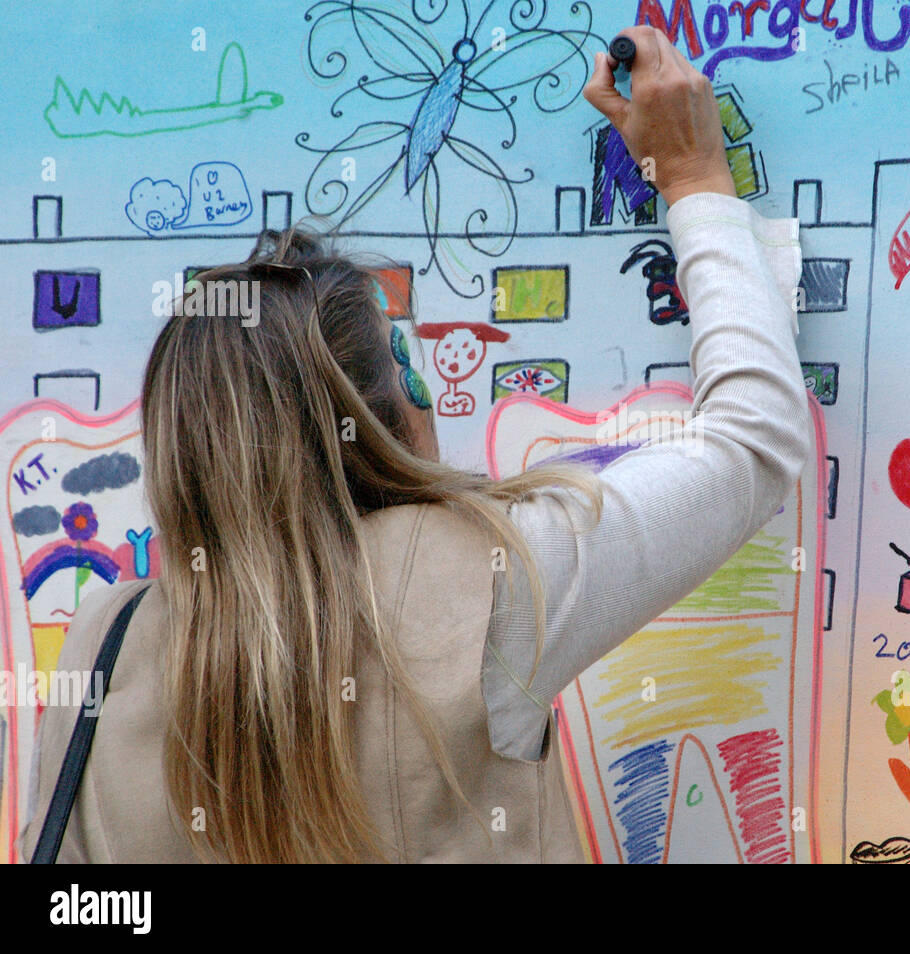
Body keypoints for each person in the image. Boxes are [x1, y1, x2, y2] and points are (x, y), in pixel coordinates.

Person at [19, 26, 811, 864]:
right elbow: (753, 438)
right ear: (382, 410)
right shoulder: (489, 582)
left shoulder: (105, 636)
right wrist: (692, 176)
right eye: (407, 364)